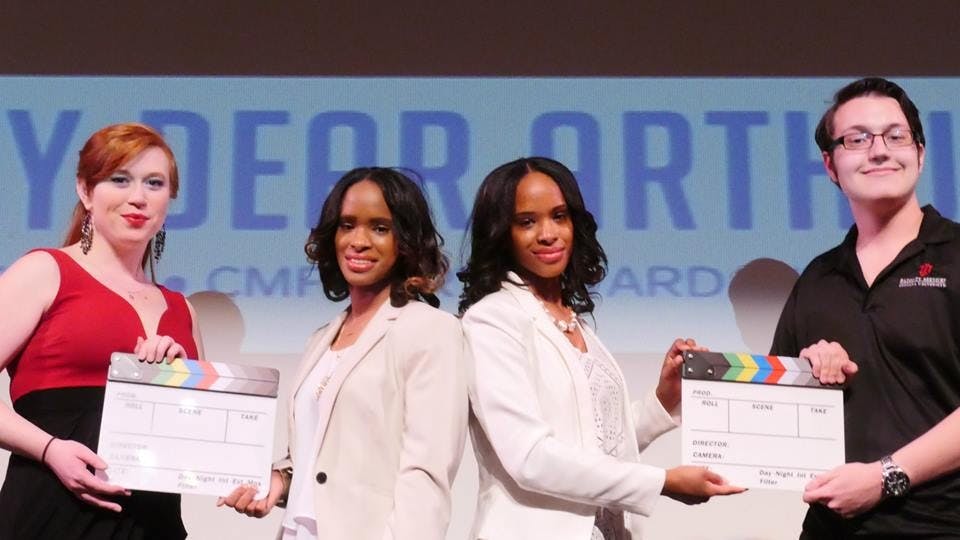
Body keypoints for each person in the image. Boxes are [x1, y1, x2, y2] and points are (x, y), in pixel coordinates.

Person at [458, 157, 744, 540]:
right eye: (527, 221)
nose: (548, 233)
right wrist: (662, 481)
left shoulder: (570, 320)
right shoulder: (492, 320)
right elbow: (530, 458)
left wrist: (662, 400)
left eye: (559, 216)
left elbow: (593, 441)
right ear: (501, 233)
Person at [219, 167, 467, 540]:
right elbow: (321, 457)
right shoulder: (322, 338)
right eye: (347, 225)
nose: (359, 241)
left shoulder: (430, 331)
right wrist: (280, 480)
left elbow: (426, 476)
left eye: (380, 228)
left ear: (406, 241)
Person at [771, 77, 960, 538]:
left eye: (895, 136)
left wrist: (884, 477)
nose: (878, 151)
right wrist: (807, 374)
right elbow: (778, 419)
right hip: (831, 529)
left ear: (919, 153)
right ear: (831, 166)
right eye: (856, 139)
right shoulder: (817, 278)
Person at [0, 122, 204, 539]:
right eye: (119, 179)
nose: (138, 197)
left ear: (170, 199)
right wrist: (49, 449)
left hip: (153, 524)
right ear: (85, 190)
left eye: (154, 183)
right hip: (52, 515)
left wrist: (178, 382)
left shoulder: (182, 310)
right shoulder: (45, 271)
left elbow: (198, 442)